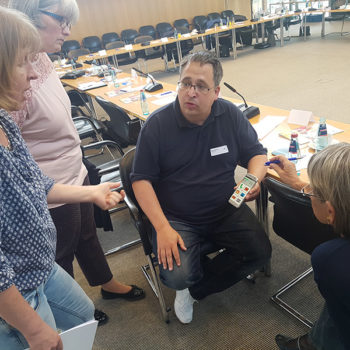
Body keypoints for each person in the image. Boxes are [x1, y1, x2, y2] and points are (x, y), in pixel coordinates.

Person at [8, 0, 145, 325]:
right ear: (31, 15)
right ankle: (69, 309)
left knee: (87, 234)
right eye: (61, 20)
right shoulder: (14, 84)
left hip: (75, 169)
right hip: (52, 185)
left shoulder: (42, 58)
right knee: (61, 253)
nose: (68, 30)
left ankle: (106, 283)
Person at [131, 51, 272, 324]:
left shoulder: (229, 114)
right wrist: (162, 227)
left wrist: (252, 178)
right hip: (177, 217)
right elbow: (140, 180)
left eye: (200, 86)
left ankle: (196, 289)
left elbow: (257, 153)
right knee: (177, 275)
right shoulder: (157, 125)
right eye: (185, 83)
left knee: (259, 253)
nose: (190, 92)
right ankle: (187, 281)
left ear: (216, 91)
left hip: (225, 208)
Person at [268, 144, 350, 350]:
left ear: (330, 211)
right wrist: (296, 183)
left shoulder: (331, 259)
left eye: (313, 190)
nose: (309, 191)